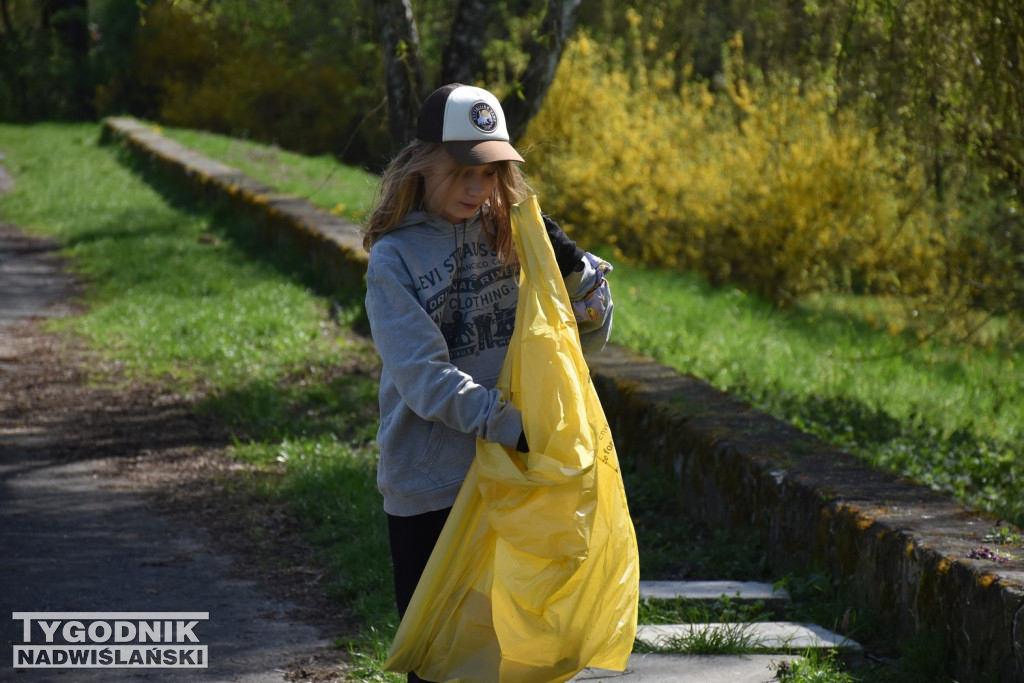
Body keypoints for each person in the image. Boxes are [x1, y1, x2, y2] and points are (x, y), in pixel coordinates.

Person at [361, 83, 614, 683]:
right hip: (434, 485)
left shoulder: (516, 233)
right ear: (423, 166)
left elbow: (585, 340)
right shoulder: (393, 260)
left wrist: (578, 277)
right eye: (462, 172)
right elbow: (424, 379)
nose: (479, 189)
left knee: (517, 654)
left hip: (518, 478)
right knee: (441, 661)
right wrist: (515, 426)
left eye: (494, 172)